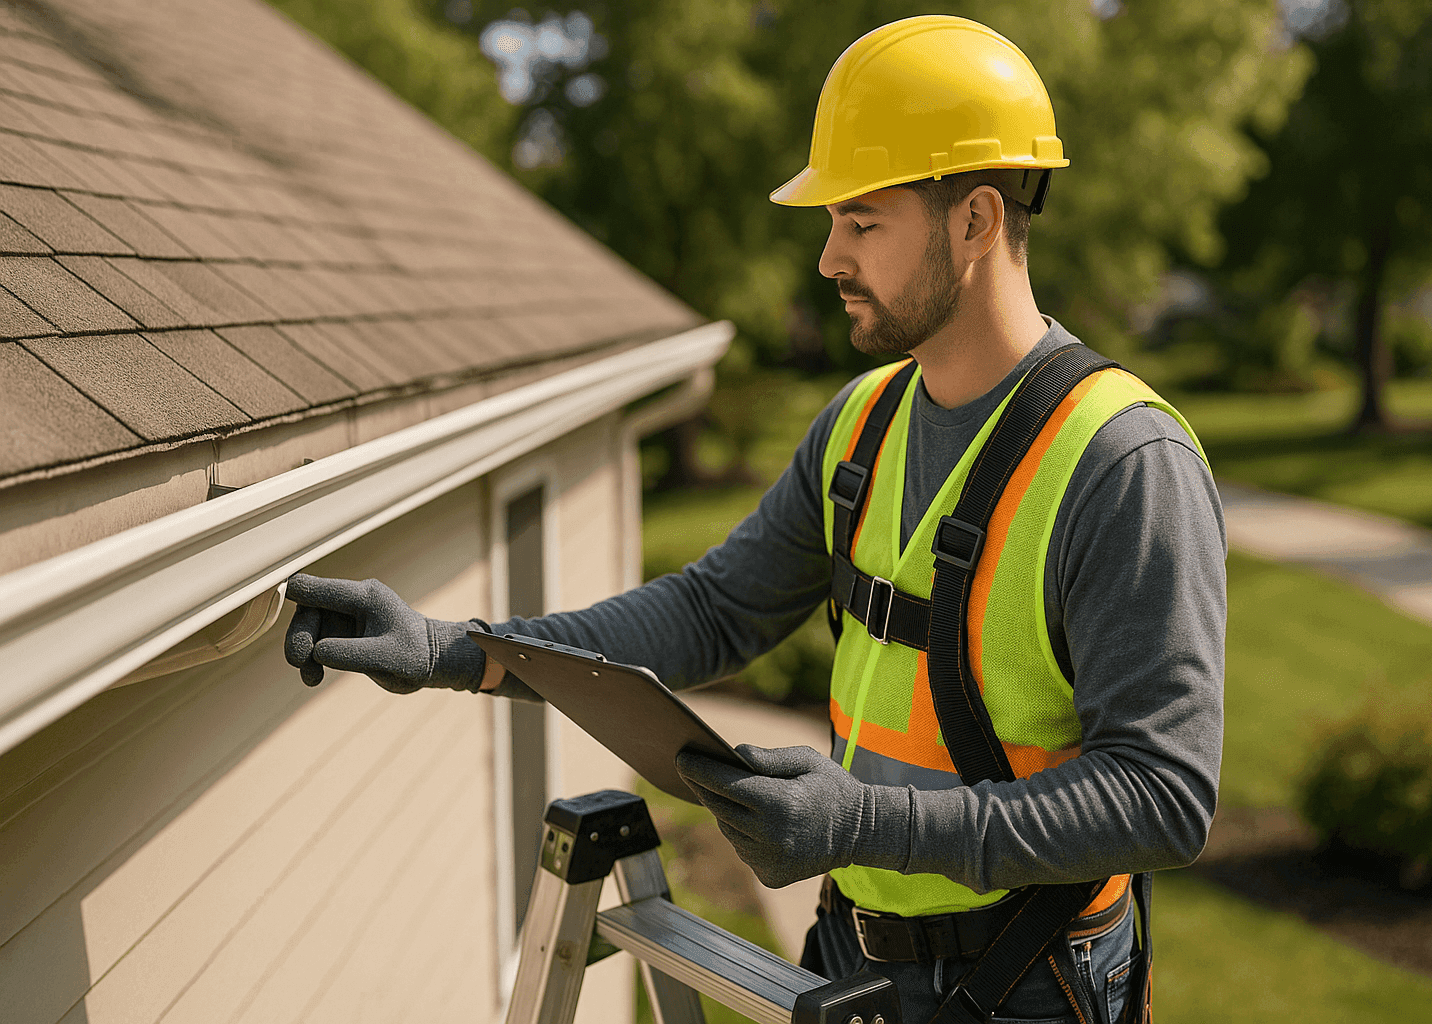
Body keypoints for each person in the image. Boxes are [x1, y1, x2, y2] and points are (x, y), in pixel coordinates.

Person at [283, 15, 1224, 1024]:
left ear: (976, 220)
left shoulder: (1122, 463)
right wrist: (456, 649)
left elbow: (1162, 795)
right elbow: (712, 611)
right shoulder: (861, 426)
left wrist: (863, 823)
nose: (828, 258)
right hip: (853, 949)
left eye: (861, 221)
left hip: (1030, 982)